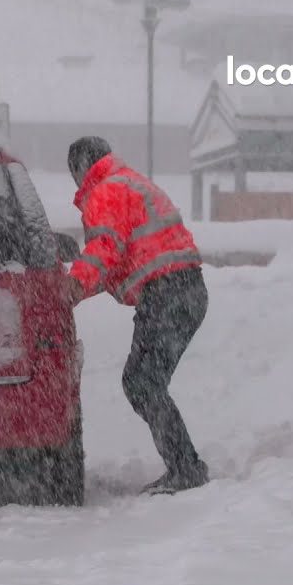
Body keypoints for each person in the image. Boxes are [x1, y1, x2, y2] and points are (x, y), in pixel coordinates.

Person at [65, 136, 211, 495]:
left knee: (142, 383)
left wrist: (71, 288)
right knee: (144, 382)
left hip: (166, 294)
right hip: (185, 292)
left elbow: (103, 249)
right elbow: (115, 263)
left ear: (81, 167)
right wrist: (82, 284)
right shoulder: (129, 182)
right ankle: (185, 466)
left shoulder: (106, 190)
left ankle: (186, 469)